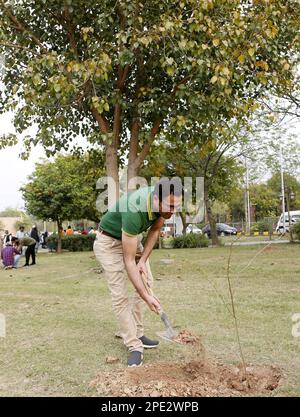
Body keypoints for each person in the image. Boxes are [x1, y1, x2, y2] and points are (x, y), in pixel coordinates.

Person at [93, 179, 182, 367]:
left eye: (177, 207)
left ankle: (139, 333)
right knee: (120, 295)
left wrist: (142, 260)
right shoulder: (134, 209)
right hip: (109, 243)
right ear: (156, 199)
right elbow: (128, 261)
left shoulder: (161, 205)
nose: (173, 212)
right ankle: (133, 345)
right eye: (171, 206)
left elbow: (155, 230)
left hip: (131, 238)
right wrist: (145, 295)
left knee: (147, 282)